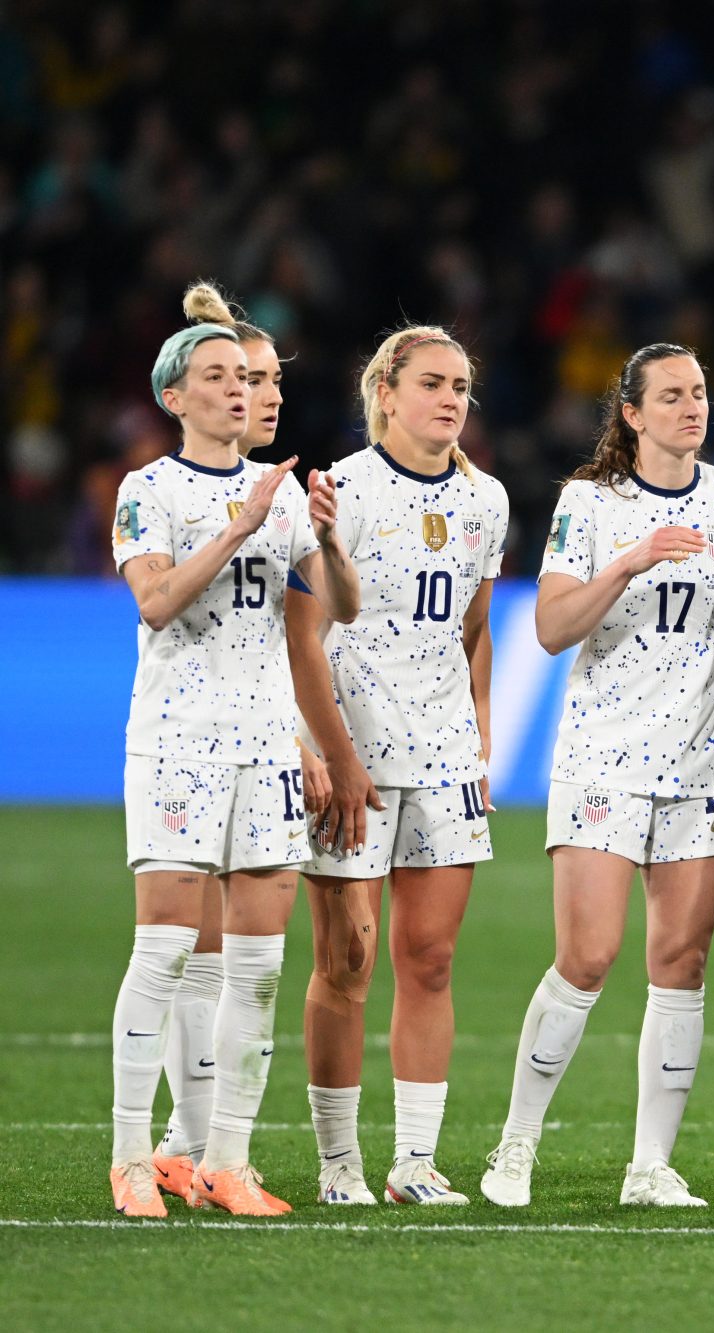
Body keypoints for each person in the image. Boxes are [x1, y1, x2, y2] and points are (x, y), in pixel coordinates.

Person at [479, 344, 714, 1208]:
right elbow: (550, 627)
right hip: (604, 754)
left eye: (701, 392)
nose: (693, 407)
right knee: (588, 954)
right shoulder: (590, 502)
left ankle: (650, 1165)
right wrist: (630, 560)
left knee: (681, 962)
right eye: (673, 396)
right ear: (634, 414)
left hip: (701, 759)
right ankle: (515, 1145)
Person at [109, 284, 359, 1217]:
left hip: (265, 748)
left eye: (241, 376)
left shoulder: (281, 490)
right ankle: (134, 1156)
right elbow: (157, 602)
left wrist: (327, 542)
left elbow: (339, 609)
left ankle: (227, 1161)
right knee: (166, 952)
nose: (236, 389)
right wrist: (243, 524)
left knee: (257, 971)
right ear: (176, 398)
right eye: (214, 377)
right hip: (177, 742)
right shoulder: (149, 489)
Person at [288, 325, 510, 1206]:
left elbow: (476, 627)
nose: (451, 399)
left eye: (461, 384)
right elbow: (300, 634)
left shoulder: (487, 499)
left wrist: (479, 736)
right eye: (432, 383)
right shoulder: (340, 492)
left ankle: (413, 1161)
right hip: (357, 758)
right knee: (348, 960)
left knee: (431, 959)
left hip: (445, 755)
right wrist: (324, 752)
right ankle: (339, 1162)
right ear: (385, 392)